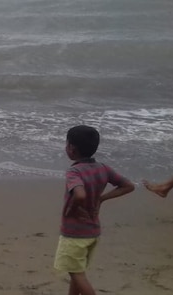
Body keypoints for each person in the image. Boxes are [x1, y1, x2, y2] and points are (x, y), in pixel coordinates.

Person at [54, 125, 135, 295]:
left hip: (74, 233)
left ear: (71, 149)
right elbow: (128, 186)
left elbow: (80, 194)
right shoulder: (102, 168)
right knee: (78, 271)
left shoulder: (74, 171)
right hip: (93, 232)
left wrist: (71, 209)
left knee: (75, 273)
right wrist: (102, 198)